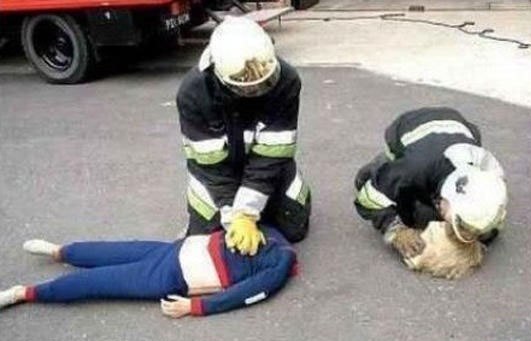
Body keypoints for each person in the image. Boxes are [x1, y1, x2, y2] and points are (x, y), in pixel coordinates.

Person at [176, 16, 311, 256]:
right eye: (247, 87)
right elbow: (211, 167)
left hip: (268, 166)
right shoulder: (193, 93)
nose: (257, 91)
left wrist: (247, 212)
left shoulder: (287, 80)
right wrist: (233, 217)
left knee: (294, 228)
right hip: (215, 175)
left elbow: (273, 153)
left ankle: (275, 196)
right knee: (209, 242)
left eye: (264, 83)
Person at [0, 227, 298, 318]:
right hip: (176, 249)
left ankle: (24, 293)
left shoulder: (280, 263)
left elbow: (246, 294)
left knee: (98, 281)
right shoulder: (269, 229)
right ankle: (59, 251)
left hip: (176, 274)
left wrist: (196, 307)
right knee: (108, 251)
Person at [354, 107, 508, 258]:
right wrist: (396, 231)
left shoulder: (489, 178)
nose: (461, 231)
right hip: (410, 127)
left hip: (459, 126)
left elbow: (489, 225)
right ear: (448, 196)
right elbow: (368, 200)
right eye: (459, 223)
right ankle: (381, 169)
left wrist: (477, 239)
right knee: (402, 203)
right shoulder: (413, 168)